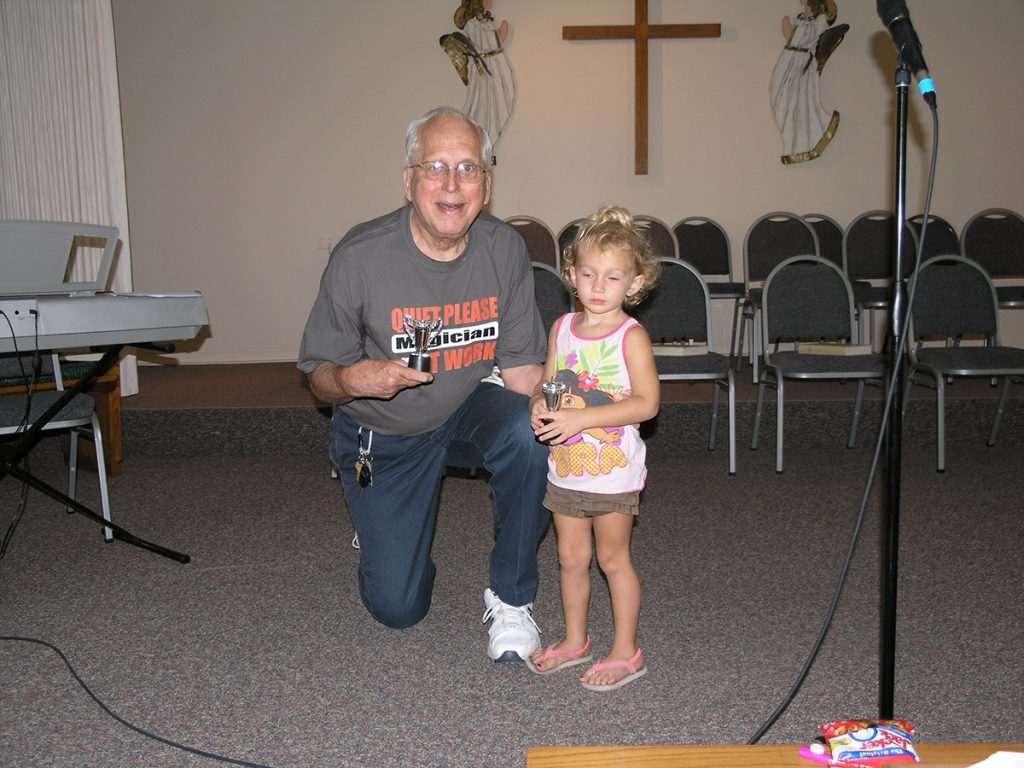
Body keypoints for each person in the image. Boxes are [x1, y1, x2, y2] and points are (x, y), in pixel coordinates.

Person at [297, 106, 550, 662]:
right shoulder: (360, 256)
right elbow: (318, 378)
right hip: (385, 432)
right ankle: (385, 529)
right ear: (409, 180)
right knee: (398, 608)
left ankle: (512, 598)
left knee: (533, 433)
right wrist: (352, 378)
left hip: (465, 402)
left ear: (487, 183)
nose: (452, 185)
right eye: (435, 167)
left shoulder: (504, 248)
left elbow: (524, 373)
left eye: (468, 168)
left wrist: (562, 414)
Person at [526, 207, 660, 690]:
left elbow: (646, 404)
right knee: (569, 558)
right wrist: (538, 406)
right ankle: (575, 640)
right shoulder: (562, 329)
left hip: (613, 471)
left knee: (613, 559)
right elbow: (546, 383)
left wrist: (583, 418)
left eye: (612, 277)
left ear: (635, 283)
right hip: (566, 468)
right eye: (588, 274)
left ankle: (628, 651)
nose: (598, 286)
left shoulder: (632, 337)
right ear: (571, 276)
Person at [769, 0, 849, 164]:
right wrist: (788, 30)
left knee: (794, 104)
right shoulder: (803, 18)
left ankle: (797, 146)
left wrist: (789, 32)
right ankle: (791, 143)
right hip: (789, 59)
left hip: (798, 65)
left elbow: (804, 37)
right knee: (777, 97)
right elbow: (794, 37)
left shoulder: (819, 22)